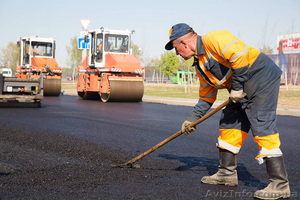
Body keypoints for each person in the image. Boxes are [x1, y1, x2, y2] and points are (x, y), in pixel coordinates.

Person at [165, 23, 290, 200]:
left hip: (261, 78)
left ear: (184, 43)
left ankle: (280, 184)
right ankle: (226, 173)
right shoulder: (200, 65)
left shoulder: (213, 39)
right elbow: (206, 97)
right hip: (238, 89)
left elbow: (239, 56)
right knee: (229, 123)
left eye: (175, 48)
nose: (176, 53)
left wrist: (237, 88)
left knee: (262, 125)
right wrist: (191, 120)